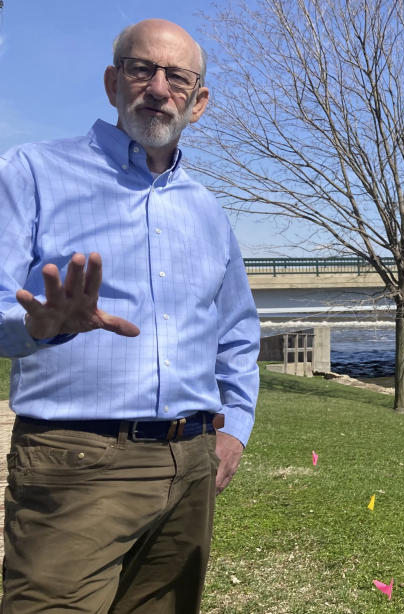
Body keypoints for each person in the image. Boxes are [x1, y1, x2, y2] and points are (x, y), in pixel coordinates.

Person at [0, 18, 260, 613]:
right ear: (114, 81)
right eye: (143, 69)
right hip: (76, 463)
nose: (159, 87)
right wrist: (40, 324)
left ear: (199, 102)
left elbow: (238, 334)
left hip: (191, 464)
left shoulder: (207, 210)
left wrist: (234, 431)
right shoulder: (31, 173)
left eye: (178, 77)